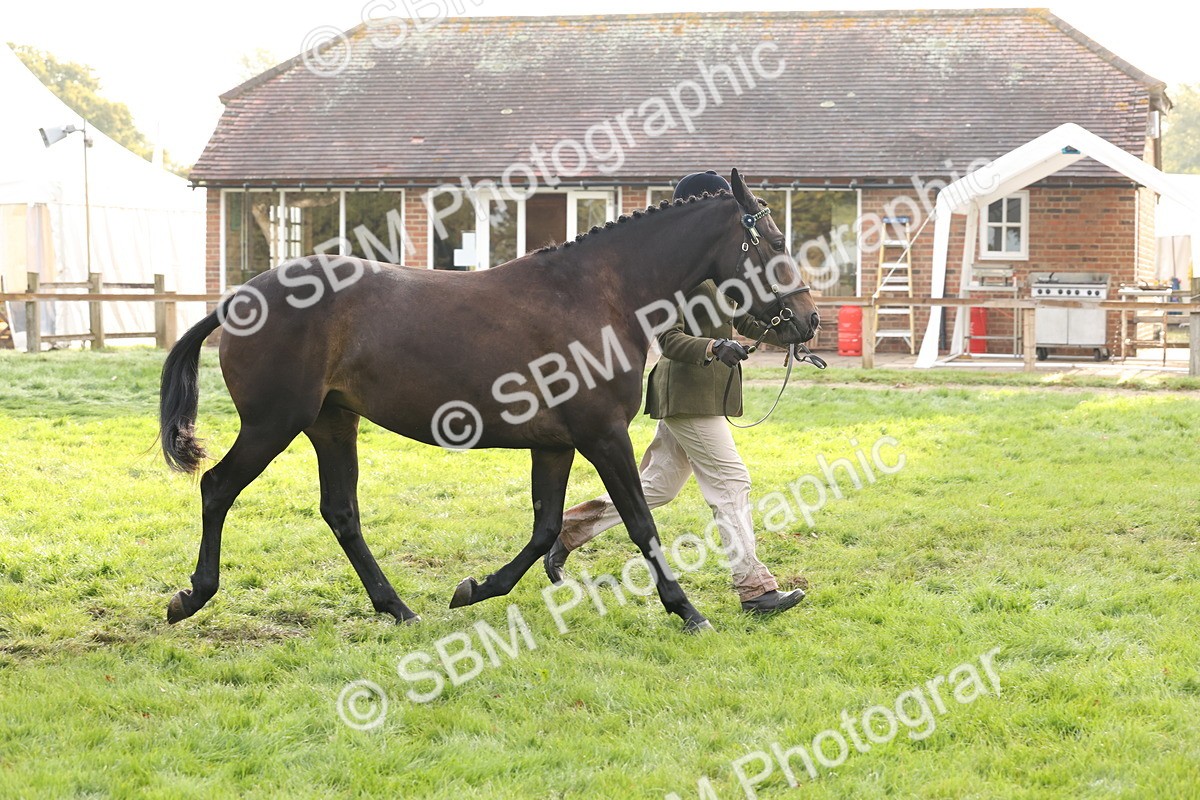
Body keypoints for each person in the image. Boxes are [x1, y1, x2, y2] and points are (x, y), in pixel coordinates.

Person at [543, 170, 805, 614]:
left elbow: (740, 320)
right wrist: (713, 347)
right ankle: (755, 589)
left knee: (653, 488)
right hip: (685, 394)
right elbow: (668, 341)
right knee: (731, 483)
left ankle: (567, 530)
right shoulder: (673, 275)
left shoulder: (719, 270)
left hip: (704, 396)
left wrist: (790, 336)